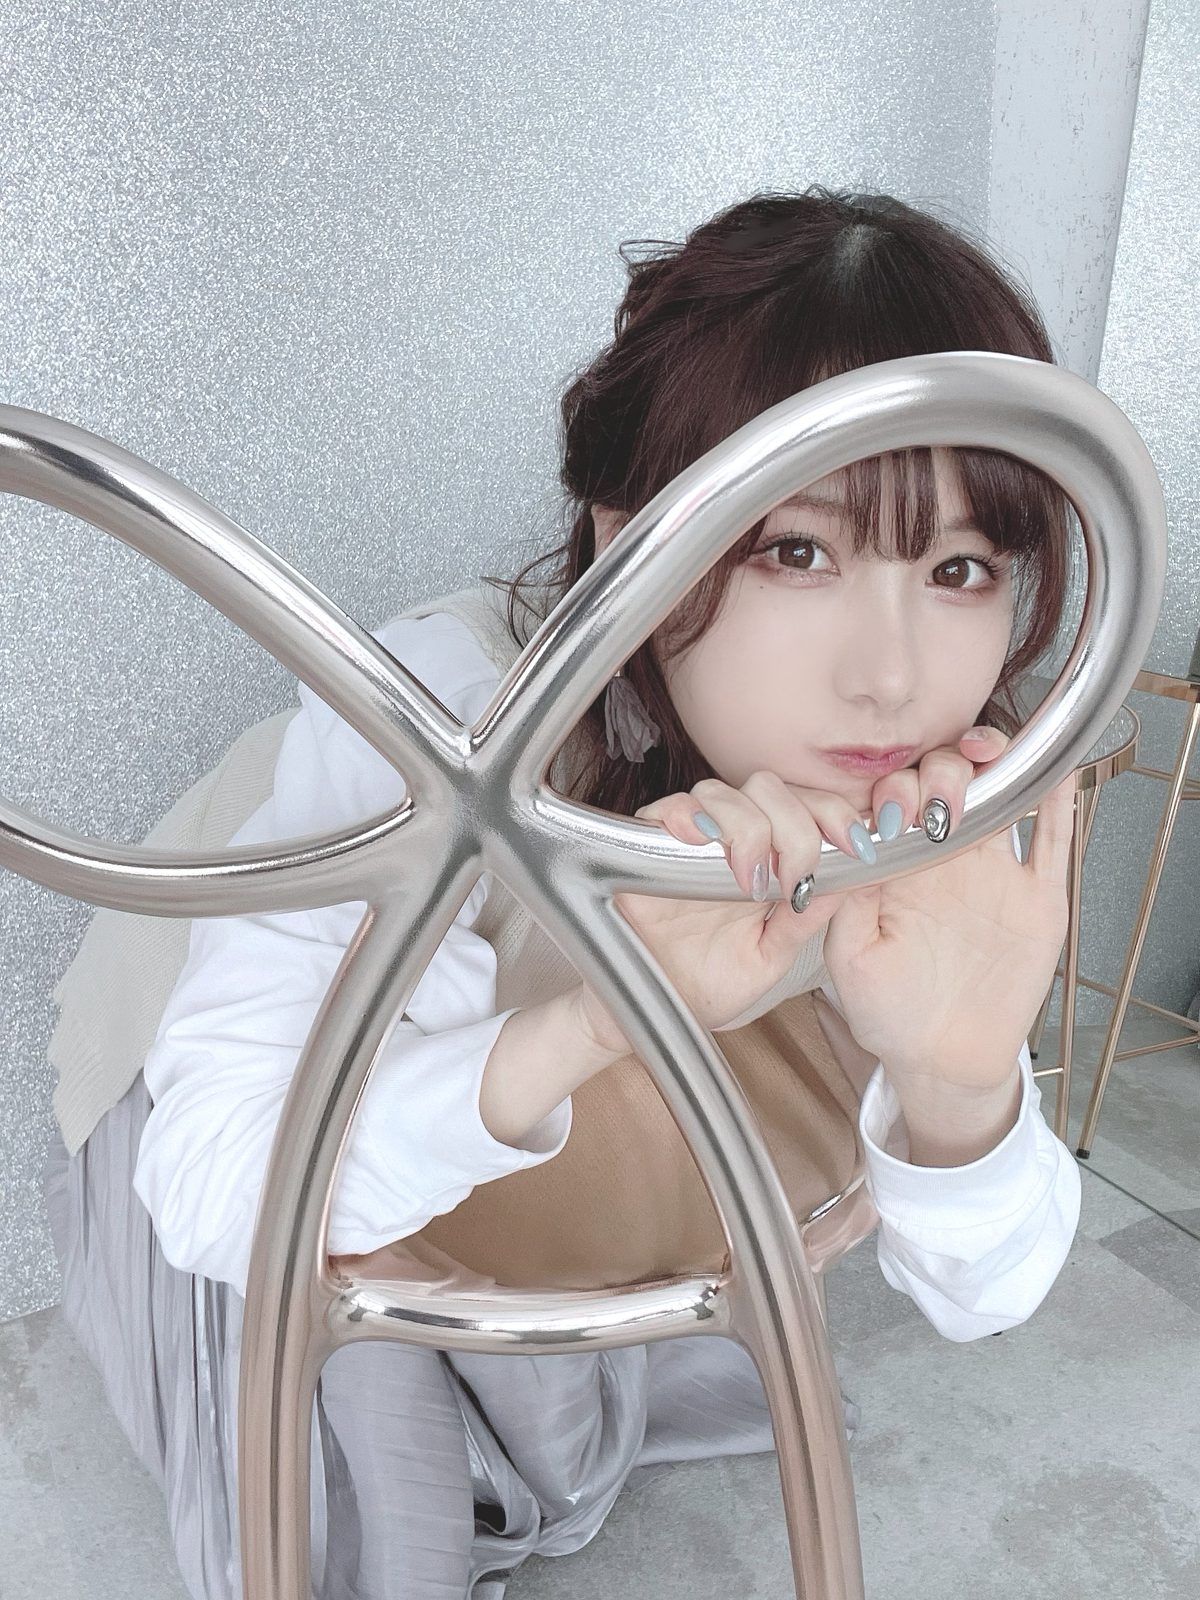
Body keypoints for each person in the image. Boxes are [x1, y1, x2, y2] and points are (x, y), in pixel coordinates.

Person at [45, 185, 1082, 1600]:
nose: (890, 677)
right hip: (258, 1131)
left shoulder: (949, 784)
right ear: (621, 530)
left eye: (960, 567)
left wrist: (963, 1089)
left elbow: (988, 1290)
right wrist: (594, 1018)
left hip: (560, 1161)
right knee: (359, 1521)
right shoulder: (430, 716)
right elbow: (227, 1189)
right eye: (797, 550)